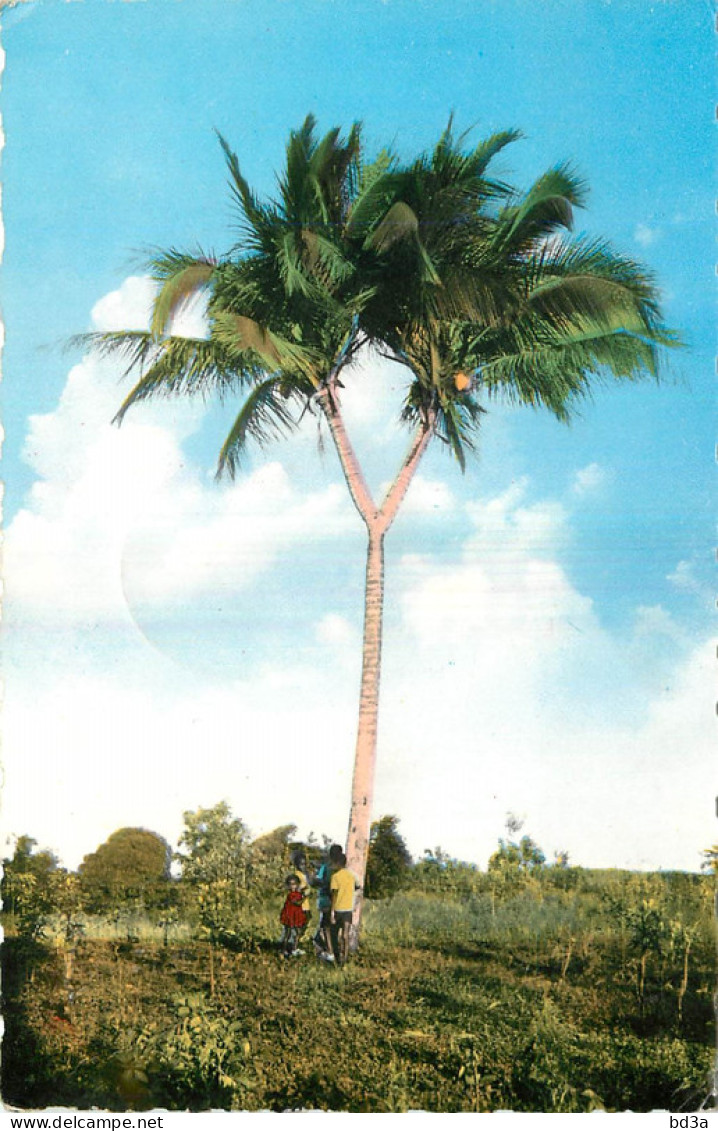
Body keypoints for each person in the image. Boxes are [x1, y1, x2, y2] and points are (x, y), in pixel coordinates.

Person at [311, 843, 343, 963]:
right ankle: (332, 950)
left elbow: (318, 881)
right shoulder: (341, 869)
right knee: (331, 926)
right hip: (337, 901)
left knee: (326, 926)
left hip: (326, 900)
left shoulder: (326, 867)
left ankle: (329, 951)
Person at [329, 851, 358, 967]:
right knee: (345, 935)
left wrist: (331, 912)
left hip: (338, 909)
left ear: (337, 863)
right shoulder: (351, 875)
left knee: (334, 935)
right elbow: (357, 886)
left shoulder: (335, 877)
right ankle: (344, 959)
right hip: (348, 909)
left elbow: (334, 895)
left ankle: (337, 958)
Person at [279, 874, 307, 958]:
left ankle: (294, 948)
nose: (293, 886)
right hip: (290, 915)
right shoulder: (291, 895)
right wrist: (304, 897)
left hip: (296, 914)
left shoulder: (297, 893)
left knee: (298, 932)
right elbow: (297, 903)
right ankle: (284, 950)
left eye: (294, 884)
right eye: (291, 884)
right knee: (288, 933)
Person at [290, 850, 312, 945]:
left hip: (305, 903)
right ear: (297, 865)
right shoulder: (297, 875)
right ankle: (294, 944)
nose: (303, 866)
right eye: (301, 864)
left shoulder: (305, 874)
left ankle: (296, 942)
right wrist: (304, 889)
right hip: (300, 904)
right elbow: (296, 889)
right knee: (300, 925)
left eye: (304, 864)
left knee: (306, 921)